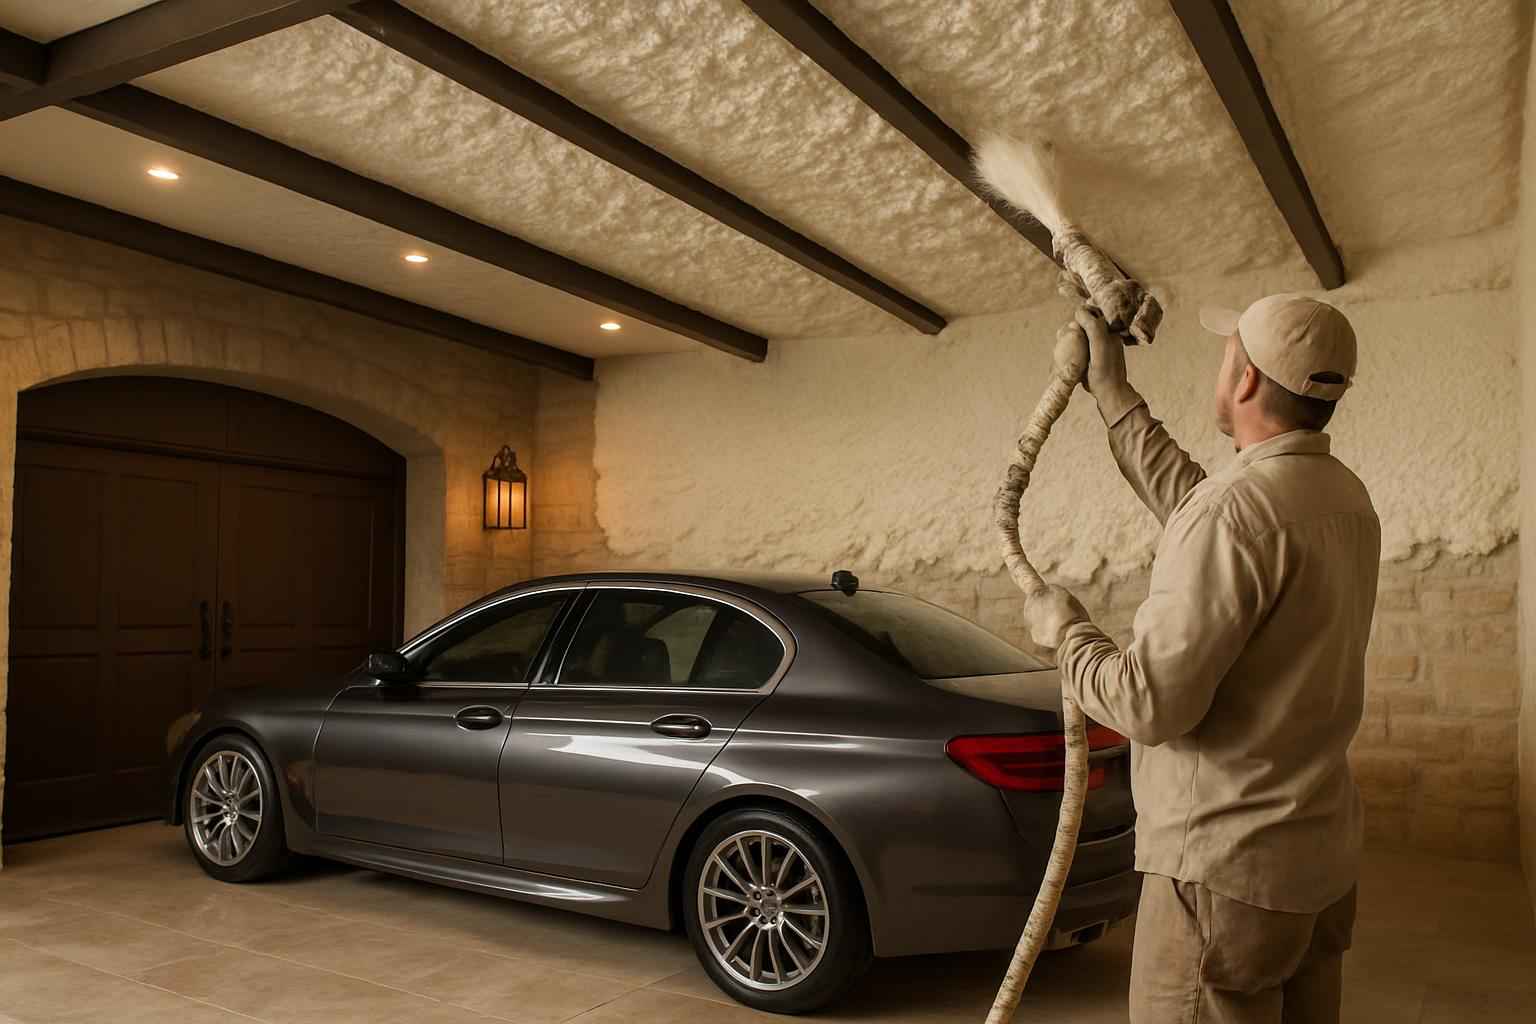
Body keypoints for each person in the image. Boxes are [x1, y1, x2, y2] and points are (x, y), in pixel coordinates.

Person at [1026, 294, 1380, 1023]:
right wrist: (1113, 395)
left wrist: (1068, 634)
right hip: (1316, 862)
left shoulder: (1235, 513)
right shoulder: (1344, 497)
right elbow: (1207, 512)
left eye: (1227, 358)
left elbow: (1148, 705)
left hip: (1226, 873)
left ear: (1245, 380)